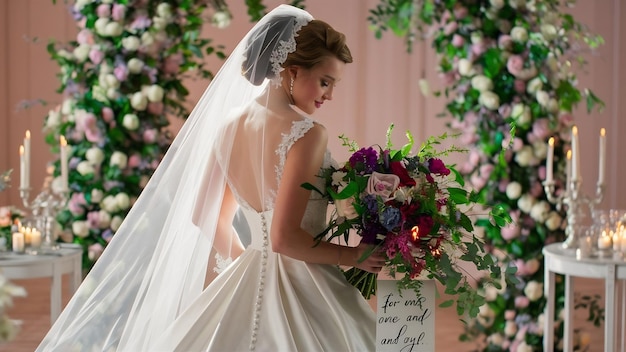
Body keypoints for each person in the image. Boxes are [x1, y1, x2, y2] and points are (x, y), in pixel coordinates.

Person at [37, 4, 385, 352]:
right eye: (325, 82)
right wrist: (353, 256)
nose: (329, 95)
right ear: (291, 71)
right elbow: (284, 238)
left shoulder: (229, 126)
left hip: (249, 274)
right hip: (306, 285)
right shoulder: (307, 133)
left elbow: (204, 212)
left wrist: (250, 265)